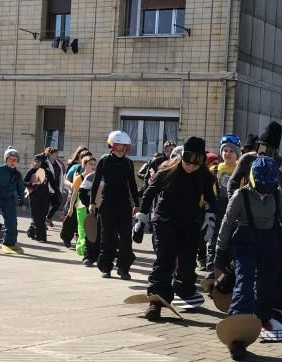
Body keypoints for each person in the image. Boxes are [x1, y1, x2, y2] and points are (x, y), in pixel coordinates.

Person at [215, 156, 282, 356]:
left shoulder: (276, 194)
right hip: (246, 240)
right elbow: (227, 224)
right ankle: (237, 330)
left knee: (266, 283)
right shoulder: (240, 196)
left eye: (269, 186)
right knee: (244, 282)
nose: (265, 190)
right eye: (262, 186)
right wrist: (220, 252)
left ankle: (262, 317)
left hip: (270, 241)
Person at [137, 137, 216, 321]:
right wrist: (141, 218)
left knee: (188, 261)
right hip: (166, 220)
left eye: (195, 165)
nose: (190, 167)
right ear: (182, 157)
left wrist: (210, 217)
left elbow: (211, 198)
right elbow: (150, 193)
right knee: (165, 259)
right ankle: (156, 301)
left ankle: (184, 289)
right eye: (187, 163)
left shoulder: (204, 174)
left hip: (190, 222)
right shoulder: (167, 169)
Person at [227, 122, 282, 320]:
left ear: (276, 150)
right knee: (245, 267)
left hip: (273, 220)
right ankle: (241, 306)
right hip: (248, 217)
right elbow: (232, 181)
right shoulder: (248, 159)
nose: (263, 153)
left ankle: (274, 307)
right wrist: (237, 202)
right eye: (261, 147)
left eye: (269, 149)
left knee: (274, 269)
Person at [90, 130, 140, 280]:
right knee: (107, 237)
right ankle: (106, 268)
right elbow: (96, 182)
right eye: (118, 145)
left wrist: (136, 204)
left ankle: (123, 269)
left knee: (126, 238)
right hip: (107, 204)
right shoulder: (104, 161)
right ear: (111, 145)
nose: (121, 148)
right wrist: (92, 202)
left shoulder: (128, 163)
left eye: (124, 146)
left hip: (124, 204)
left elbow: (132, 184)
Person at [206, 135, 242, 272]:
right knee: (214, 241)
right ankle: (211, 271)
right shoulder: (214, 170)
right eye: (225, 150)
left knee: (233, 243)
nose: (227, 153)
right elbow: (207, 194)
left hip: (236, 213)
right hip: (217, 211)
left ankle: (230, 273)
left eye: (231, 151)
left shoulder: (242, 170)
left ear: (237, 153)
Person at [72, 156, 97, 260]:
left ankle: (92, 249)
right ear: (84, 165)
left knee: (92, 229)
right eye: (90, 164)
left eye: (94, 164)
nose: (93, 166)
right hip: (81, 206)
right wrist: (70, 207)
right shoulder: (80, 178)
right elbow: (74, 194)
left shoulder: (96, 177)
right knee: (82, 228)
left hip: (93, 206)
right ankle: (82, 248)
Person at [24, 154, 52, 242]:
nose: (36, 163)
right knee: (37, 216)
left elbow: (53, 183)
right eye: (35, 161)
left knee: (43, 215)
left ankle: (32, 231)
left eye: (39, 162)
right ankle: (41, 237)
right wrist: (30, 184)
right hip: (34, 196)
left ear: (42, 162)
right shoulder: (31, 171)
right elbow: (24, 181)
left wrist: (57, 193)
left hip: (45, 197)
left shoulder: (47, 172)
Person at [44, 147, 66, 227]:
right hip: (48, 187)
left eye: (57, 153)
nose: (57, 155)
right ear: (50, 154)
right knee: (45, 206)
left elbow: (62, 174)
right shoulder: (45, 163)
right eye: (55, 153)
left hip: (57, 187)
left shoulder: (58, 163)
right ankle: (43, 223)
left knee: (57, 204)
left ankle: (48, 218)